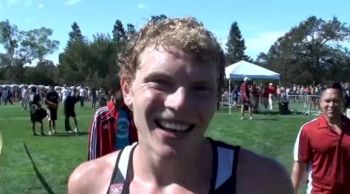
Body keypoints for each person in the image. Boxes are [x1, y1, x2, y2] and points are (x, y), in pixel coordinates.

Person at [68, 17, 292, 194]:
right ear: (127, 89)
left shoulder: (263, 183)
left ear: (217, 96)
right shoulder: (90, 184)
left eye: (200, 88)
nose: (180, 103)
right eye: (160, 83)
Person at [291, 82, 350, 194]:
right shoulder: (308, 130)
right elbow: (299, 165)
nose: (331, 105)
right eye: (327, 101)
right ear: (320, 103)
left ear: (342, 102)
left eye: (336, 101)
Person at [87, 89, 138, 160]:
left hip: (129, 163)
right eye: (121, 88)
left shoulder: (133, 113)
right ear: (113, 92)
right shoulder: (102, 115)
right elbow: (93, 149)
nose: (126, 91)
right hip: (109, 164)